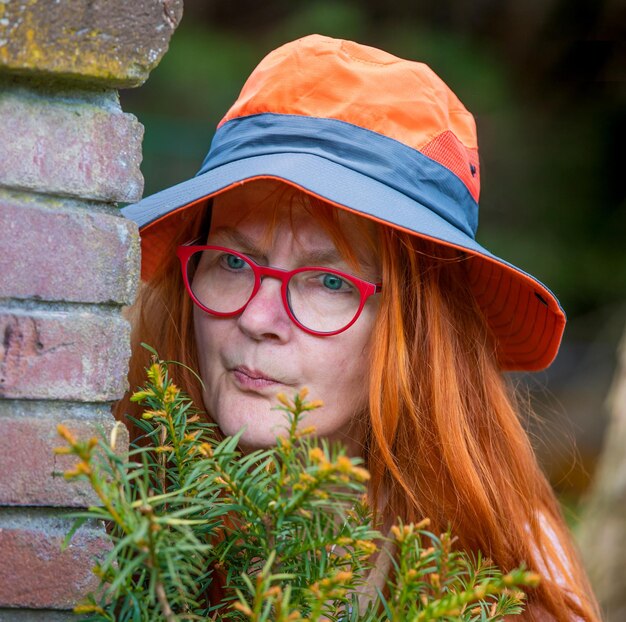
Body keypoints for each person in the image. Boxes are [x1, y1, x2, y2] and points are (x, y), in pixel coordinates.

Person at [118, 35, 600, 620]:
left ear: (419, 331)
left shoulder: (500, 580)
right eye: (232, 262)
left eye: (329, 281)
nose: (255, 318)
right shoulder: (104, 504)